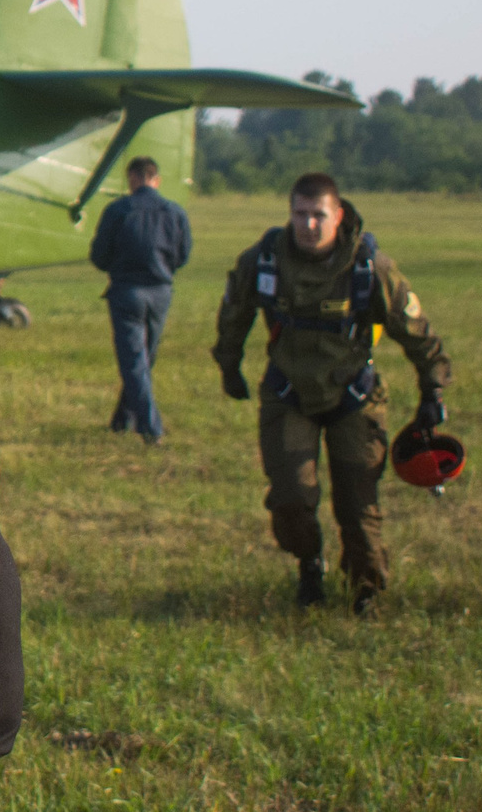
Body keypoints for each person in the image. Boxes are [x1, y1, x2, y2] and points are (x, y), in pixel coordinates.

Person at [211, 171, 448, 616]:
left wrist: (432, 389)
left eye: (318, 215)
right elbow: (234, 314)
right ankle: (309, 563)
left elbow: (417, 332)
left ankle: (366, 590)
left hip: (353, 396)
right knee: (291, 497)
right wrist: (229, 364)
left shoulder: (369, 267)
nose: (308, 225)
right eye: (300, 214)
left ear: (338, 216)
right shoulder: (263, 261)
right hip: (288, 393)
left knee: (358, 506)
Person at [86, 155, 191, 444]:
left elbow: (99, 255)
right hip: (161, 291)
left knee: (134, 360)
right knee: (145, 357)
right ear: (156, 180)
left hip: (127, 292)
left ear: (131, 178)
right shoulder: (174, 212)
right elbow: (183, 254)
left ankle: (150, 428)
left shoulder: (118, 210)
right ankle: (122, 420)